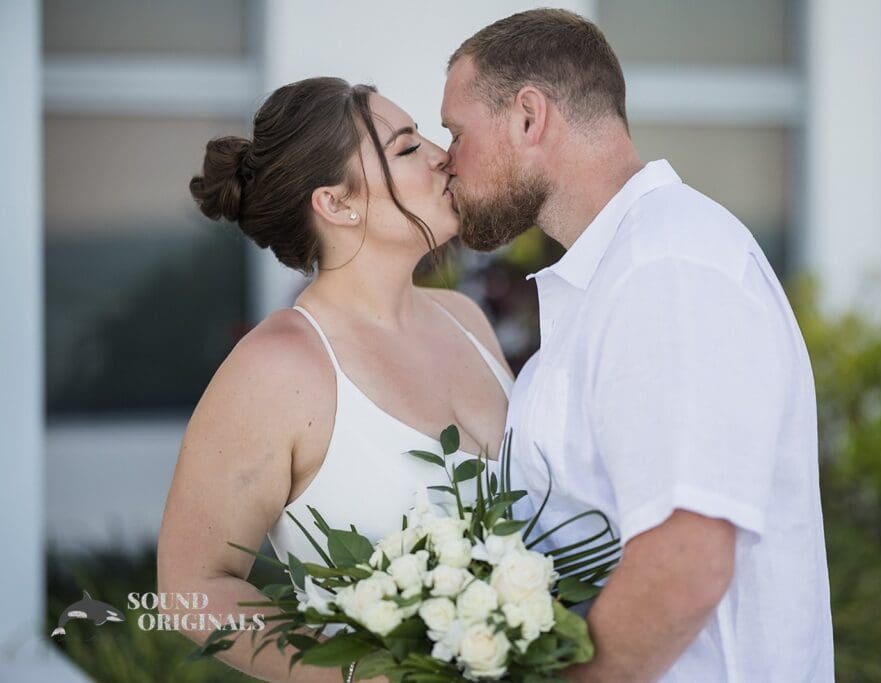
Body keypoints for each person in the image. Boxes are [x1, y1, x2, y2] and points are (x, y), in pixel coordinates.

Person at [442, 9, 835, 682]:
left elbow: (685, 563)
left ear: (529, 117)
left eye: (455, 131)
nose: (446, 159)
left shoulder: (665, 267)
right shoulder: (621, 272)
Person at [157, 77, 514, 683]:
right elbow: (190, 589)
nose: (442, 155)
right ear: (337, 203)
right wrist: (356, 675)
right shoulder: (279, 366)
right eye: (406, 149)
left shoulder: (468, 321)